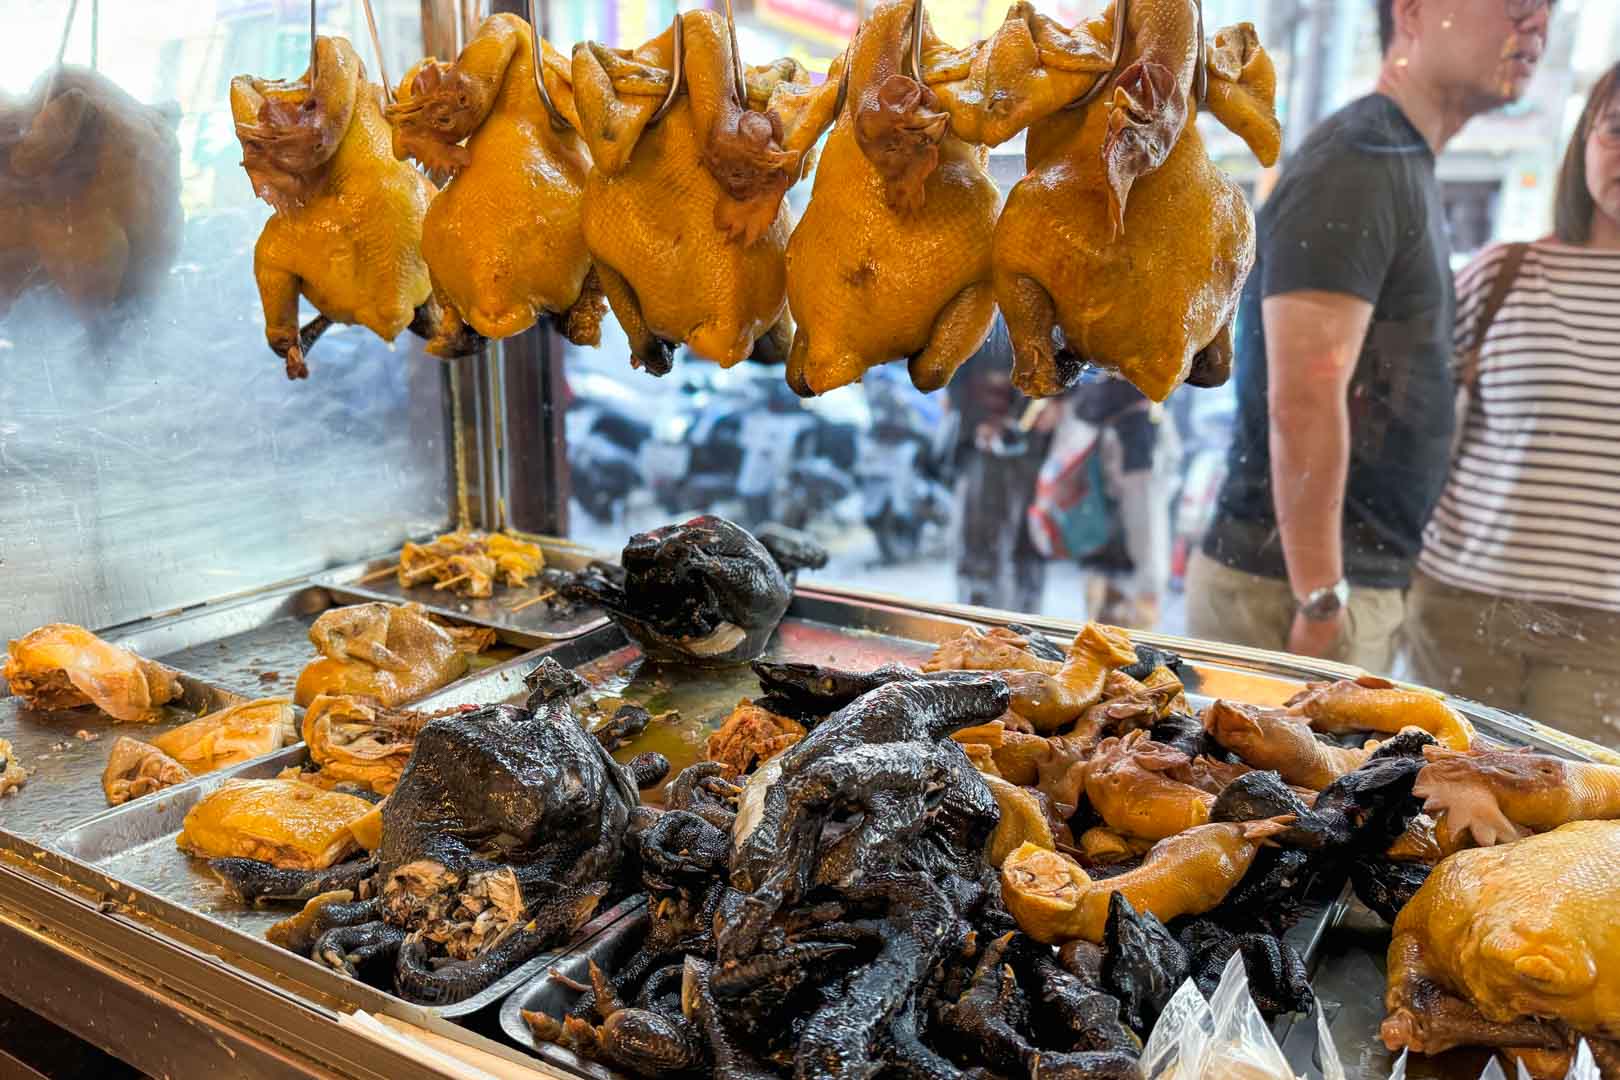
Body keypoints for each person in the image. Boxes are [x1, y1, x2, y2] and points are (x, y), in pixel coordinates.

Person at [1186, 0, 1552, 673]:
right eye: (1514, 1)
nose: (1535, 20)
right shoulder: (1362, 158)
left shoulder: (1397, 158)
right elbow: (1306, 394)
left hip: (1326, 585)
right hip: (1294, 594)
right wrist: (1323, 600)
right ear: (1411, 14)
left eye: (1548, 7)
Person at [1404, 64, 1620, 745]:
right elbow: (1422, 428)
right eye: (1616, 130)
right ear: (1585, 141)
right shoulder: (1504, 273)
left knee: (1565, 838)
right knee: (1435, 812)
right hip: (1465, 603)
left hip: (1605, 632)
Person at [948, 315, 1048, 612]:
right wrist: (979, 422)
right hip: (984, 442)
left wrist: (1026, 417)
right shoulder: (978, 314)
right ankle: (978, 619)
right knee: (980, 541)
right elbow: (955, 374)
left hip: (1032, 443)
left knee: (1027, 544)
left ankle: (1025, 627)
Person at [1069, 376, 1182, 629]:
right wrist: (1150, 583)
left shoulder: (1109, 407)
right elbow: (1143, 514)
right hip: (1126, 576)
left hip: (1104, 560)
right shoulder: (1135, 424)